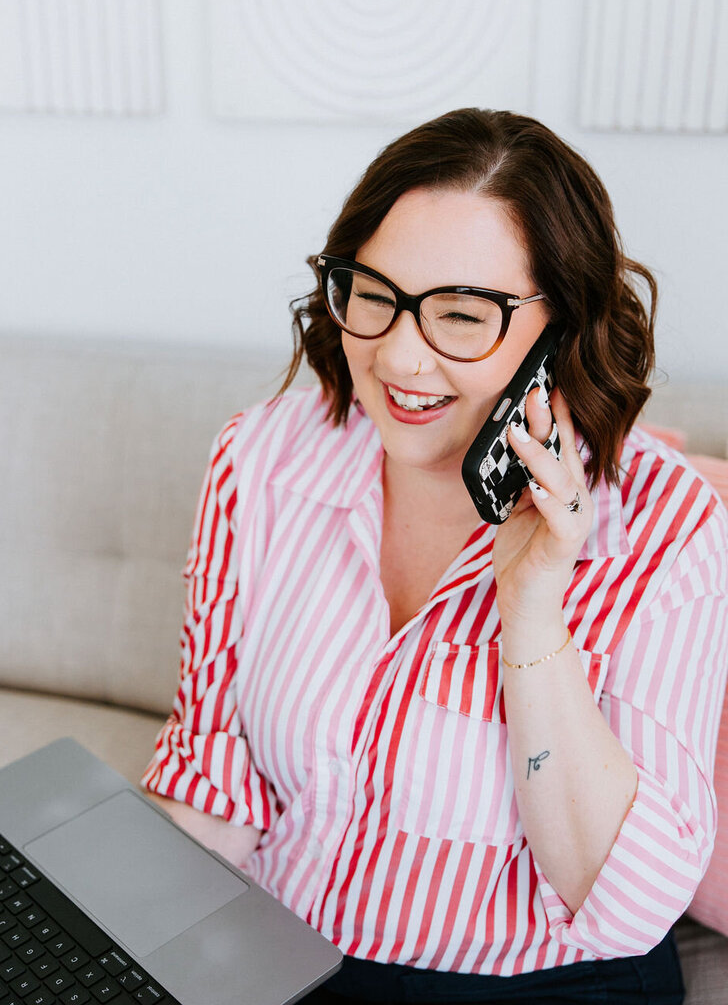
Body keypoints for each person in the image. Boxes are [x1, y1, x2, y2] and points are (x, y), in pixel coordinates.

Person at [142, 109, 728, 1003]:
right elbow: (215, 777)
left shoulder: (667, 524)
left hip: (540, 983)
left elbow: (619, 899)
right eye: (374, 295)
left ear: (561, 327)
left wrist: (531, 608)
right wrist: (128, 942)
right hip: (285, 950)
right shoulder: (260, 459)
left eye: (463, 314)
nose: (401, 356)